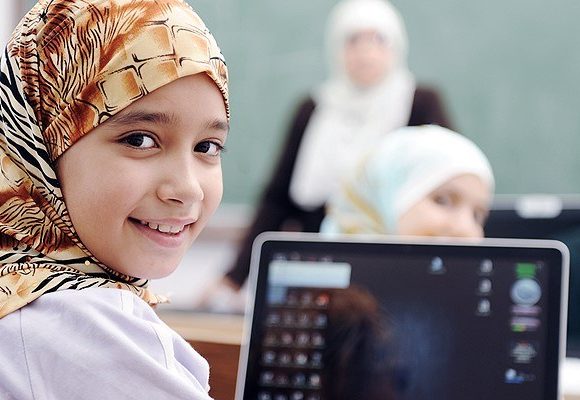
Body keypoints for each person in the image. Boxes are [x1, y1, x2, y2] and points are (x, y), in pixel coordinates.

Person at [0, 0, 229, 398]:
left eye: (208, 147)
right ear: (40, 146)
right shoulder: (86, 322)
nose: (188, 187)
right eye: (139, 140)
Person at [218, 0, 453, 295]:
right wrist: (233, 279)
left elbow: (450, 188)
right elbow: (277, 201)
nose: (365, 52)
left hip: (394, 268)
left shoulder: (420, 104)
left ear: (396, 46)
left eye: (378, 39)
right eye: (353, 40)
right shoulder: (314, 108)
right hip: (318, 271)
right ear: (337, 48)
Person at [320, 125, 494, 238]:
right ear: (386, 192)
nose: (464, 228)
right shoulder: (323, 286)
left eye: (477, 216)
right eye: (443, 200)